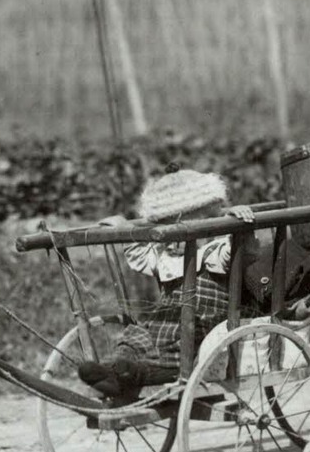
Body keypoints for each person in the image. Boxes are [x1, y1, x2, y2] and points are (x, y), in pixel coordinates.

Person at [77, 169, 254, 398]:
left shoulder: (215, 252)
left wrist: (235, 219)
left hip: (199, 327)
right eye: (169, 229)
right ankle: (114, 371)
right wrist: (122, 226)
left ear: (210, 223)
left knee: (175, 348)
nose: (175, 241)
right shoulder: (165, 257)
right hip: (164, 323)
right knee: (136, 338)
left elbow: (242, 249)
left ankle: (132, 374)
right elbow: (139, 251)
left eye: (182, 229)